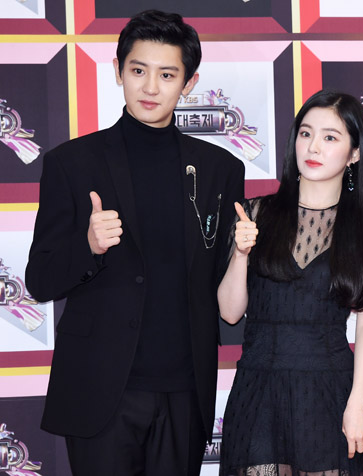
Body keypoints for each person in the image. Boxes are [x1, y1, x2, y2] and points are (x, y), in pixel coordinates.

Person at [25, 10, 245, 475]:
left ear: (188, 83)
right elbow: (40, 280)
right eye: (138, 70)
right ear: (118, 71)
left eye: (167, 75)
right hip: (100, 390)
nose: (150, 87)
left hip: (185, 392)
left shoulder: (220, 170)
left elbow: (224, 288)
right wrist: (88, 246)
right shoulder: (72, 163)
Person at [217, 89, 363, 475]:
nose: (313, 146)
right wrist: (241, 254)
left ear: (354, 153)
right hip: (259, 388)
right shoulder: (254, 213)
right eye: (305, 133)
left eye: (330, 137)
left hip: (328, 389)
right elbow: (230, 313)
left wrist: (357, 404)